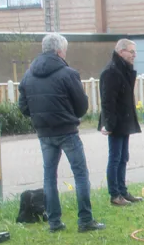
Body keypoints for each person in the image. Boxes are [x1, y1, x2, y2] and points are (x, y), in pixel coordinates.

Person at [18, 33, 105, 233]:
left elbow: (23, 107)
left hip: (44, 132)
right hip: (67, 130)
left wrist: (39, 118)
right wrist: (69, 114)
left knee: (49, 176)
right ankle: (85, 220)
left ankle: (54, 222)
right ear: (59, 51)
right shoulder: (68, 73)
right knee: (80, 174)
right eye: (65, 50)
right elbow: (82, 105)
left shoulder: (28, 75)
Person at [99, 39, 143, 207]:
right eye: (131, 52)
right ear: (120, 52)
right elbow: (107, 101)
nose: (134, 55)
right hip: (115, 122)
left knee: (123, 157)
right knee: (115, 157)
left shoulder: (124, 69)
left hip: (124, 120)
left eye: (134, 52)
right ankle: (115, 194)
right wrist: (108, 124)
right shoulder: (111, 71)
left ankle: (123, 191)